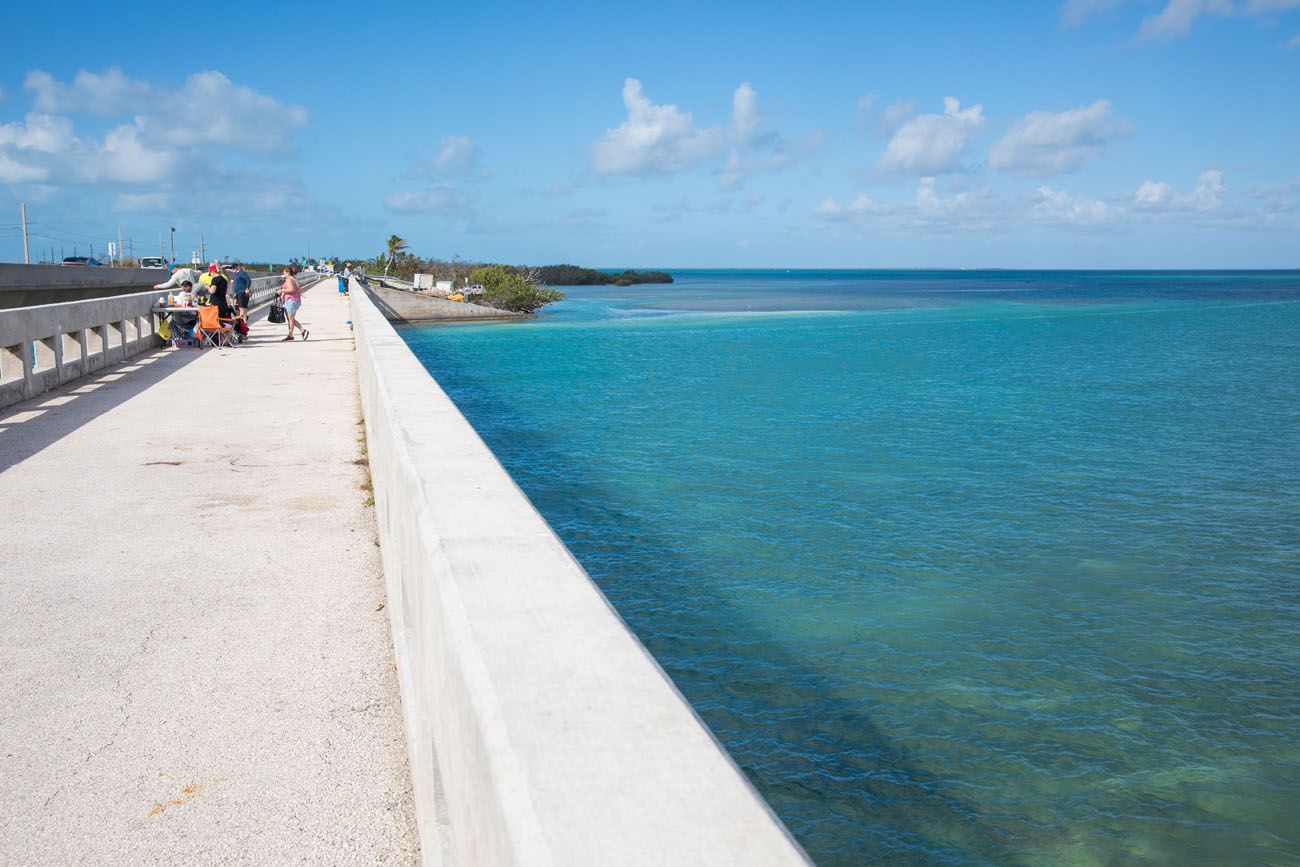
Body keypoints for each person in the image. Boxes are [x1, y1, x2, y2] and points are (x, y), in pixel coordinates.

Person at [277, 266, 308, 341]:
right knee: (290, 319)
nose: (283, 273)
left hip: (291, 301)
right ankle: (293, 334)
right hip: (295, 300)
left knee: (290, 319)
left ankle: (301, 331)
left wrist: (281, 291)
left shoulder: (289, 279)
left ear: (288, 273)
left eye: (284, 272)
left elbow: (291, 289)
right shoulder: (293, 279)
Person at [230, 263, 252, 330]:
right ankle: (244, 322)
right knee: (244, 308)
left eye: (233, 268)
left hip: (242, 293)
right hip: (239, 293)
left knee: (241, 308)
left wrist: (247, 288)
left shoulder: (242, 273)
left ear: (236, 267)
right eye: (231, 268)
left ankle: (241, 323)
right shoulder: (237, 274)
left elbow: (248, 280)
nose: (232, 269)